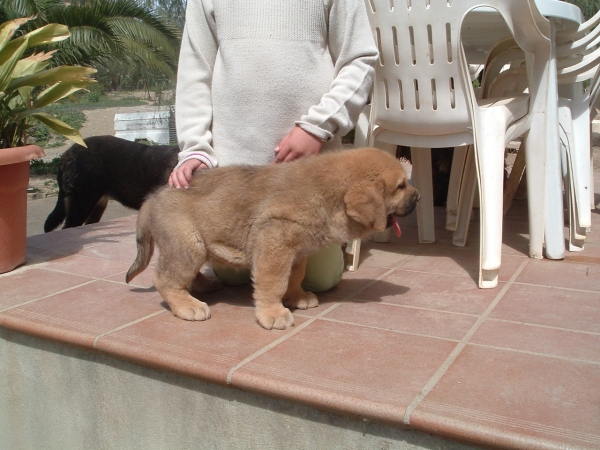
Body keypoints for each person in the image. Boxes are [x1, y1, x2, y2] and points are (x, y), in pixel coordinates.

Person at [169, 0, 379, 292]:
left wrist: (318, 127)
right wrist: (195, 148)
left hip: (311, 181)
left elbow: (360, 58)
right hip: (236, 185)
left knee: (320, 279)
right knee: (234, 275)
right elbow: (195, 68)